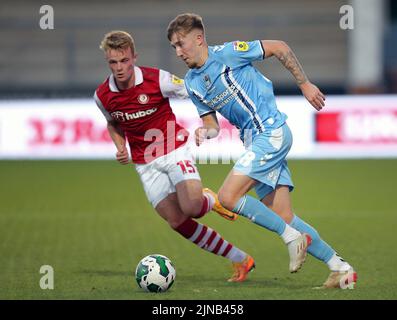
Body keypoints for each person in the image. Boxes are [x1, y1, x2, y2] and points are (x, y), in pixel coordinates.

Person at [167, 13, 357, 289]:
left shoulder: (229, 54)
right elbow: (212, 125)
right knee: (283, 216)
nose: (178, 51)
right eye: (174, 46)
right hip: (254, 141)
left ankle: (292, 238)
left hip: (271, 132)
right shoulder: (192, 83)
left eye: (181, 43)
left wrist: (304, 84)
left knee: (228, 197)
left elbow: (279, 46)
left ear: (199, 38)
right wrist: (204, 131)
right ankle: (341, 268)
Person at [94, 30, 255, 282]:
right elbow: (112, 123)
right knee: (177, 221)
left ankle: (209, 200)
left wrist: (210, 119)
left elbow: (192, 90)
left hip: (173, 149)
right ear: (107, 62)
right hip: (145, 164)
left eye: (124, 60)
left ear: (134, 57)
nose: (119, 68)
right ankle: (240, 259)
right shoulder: (103, 95)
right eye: (113, 62)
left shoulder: (157, 79)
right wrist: (120, 145)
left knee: (192, 207)